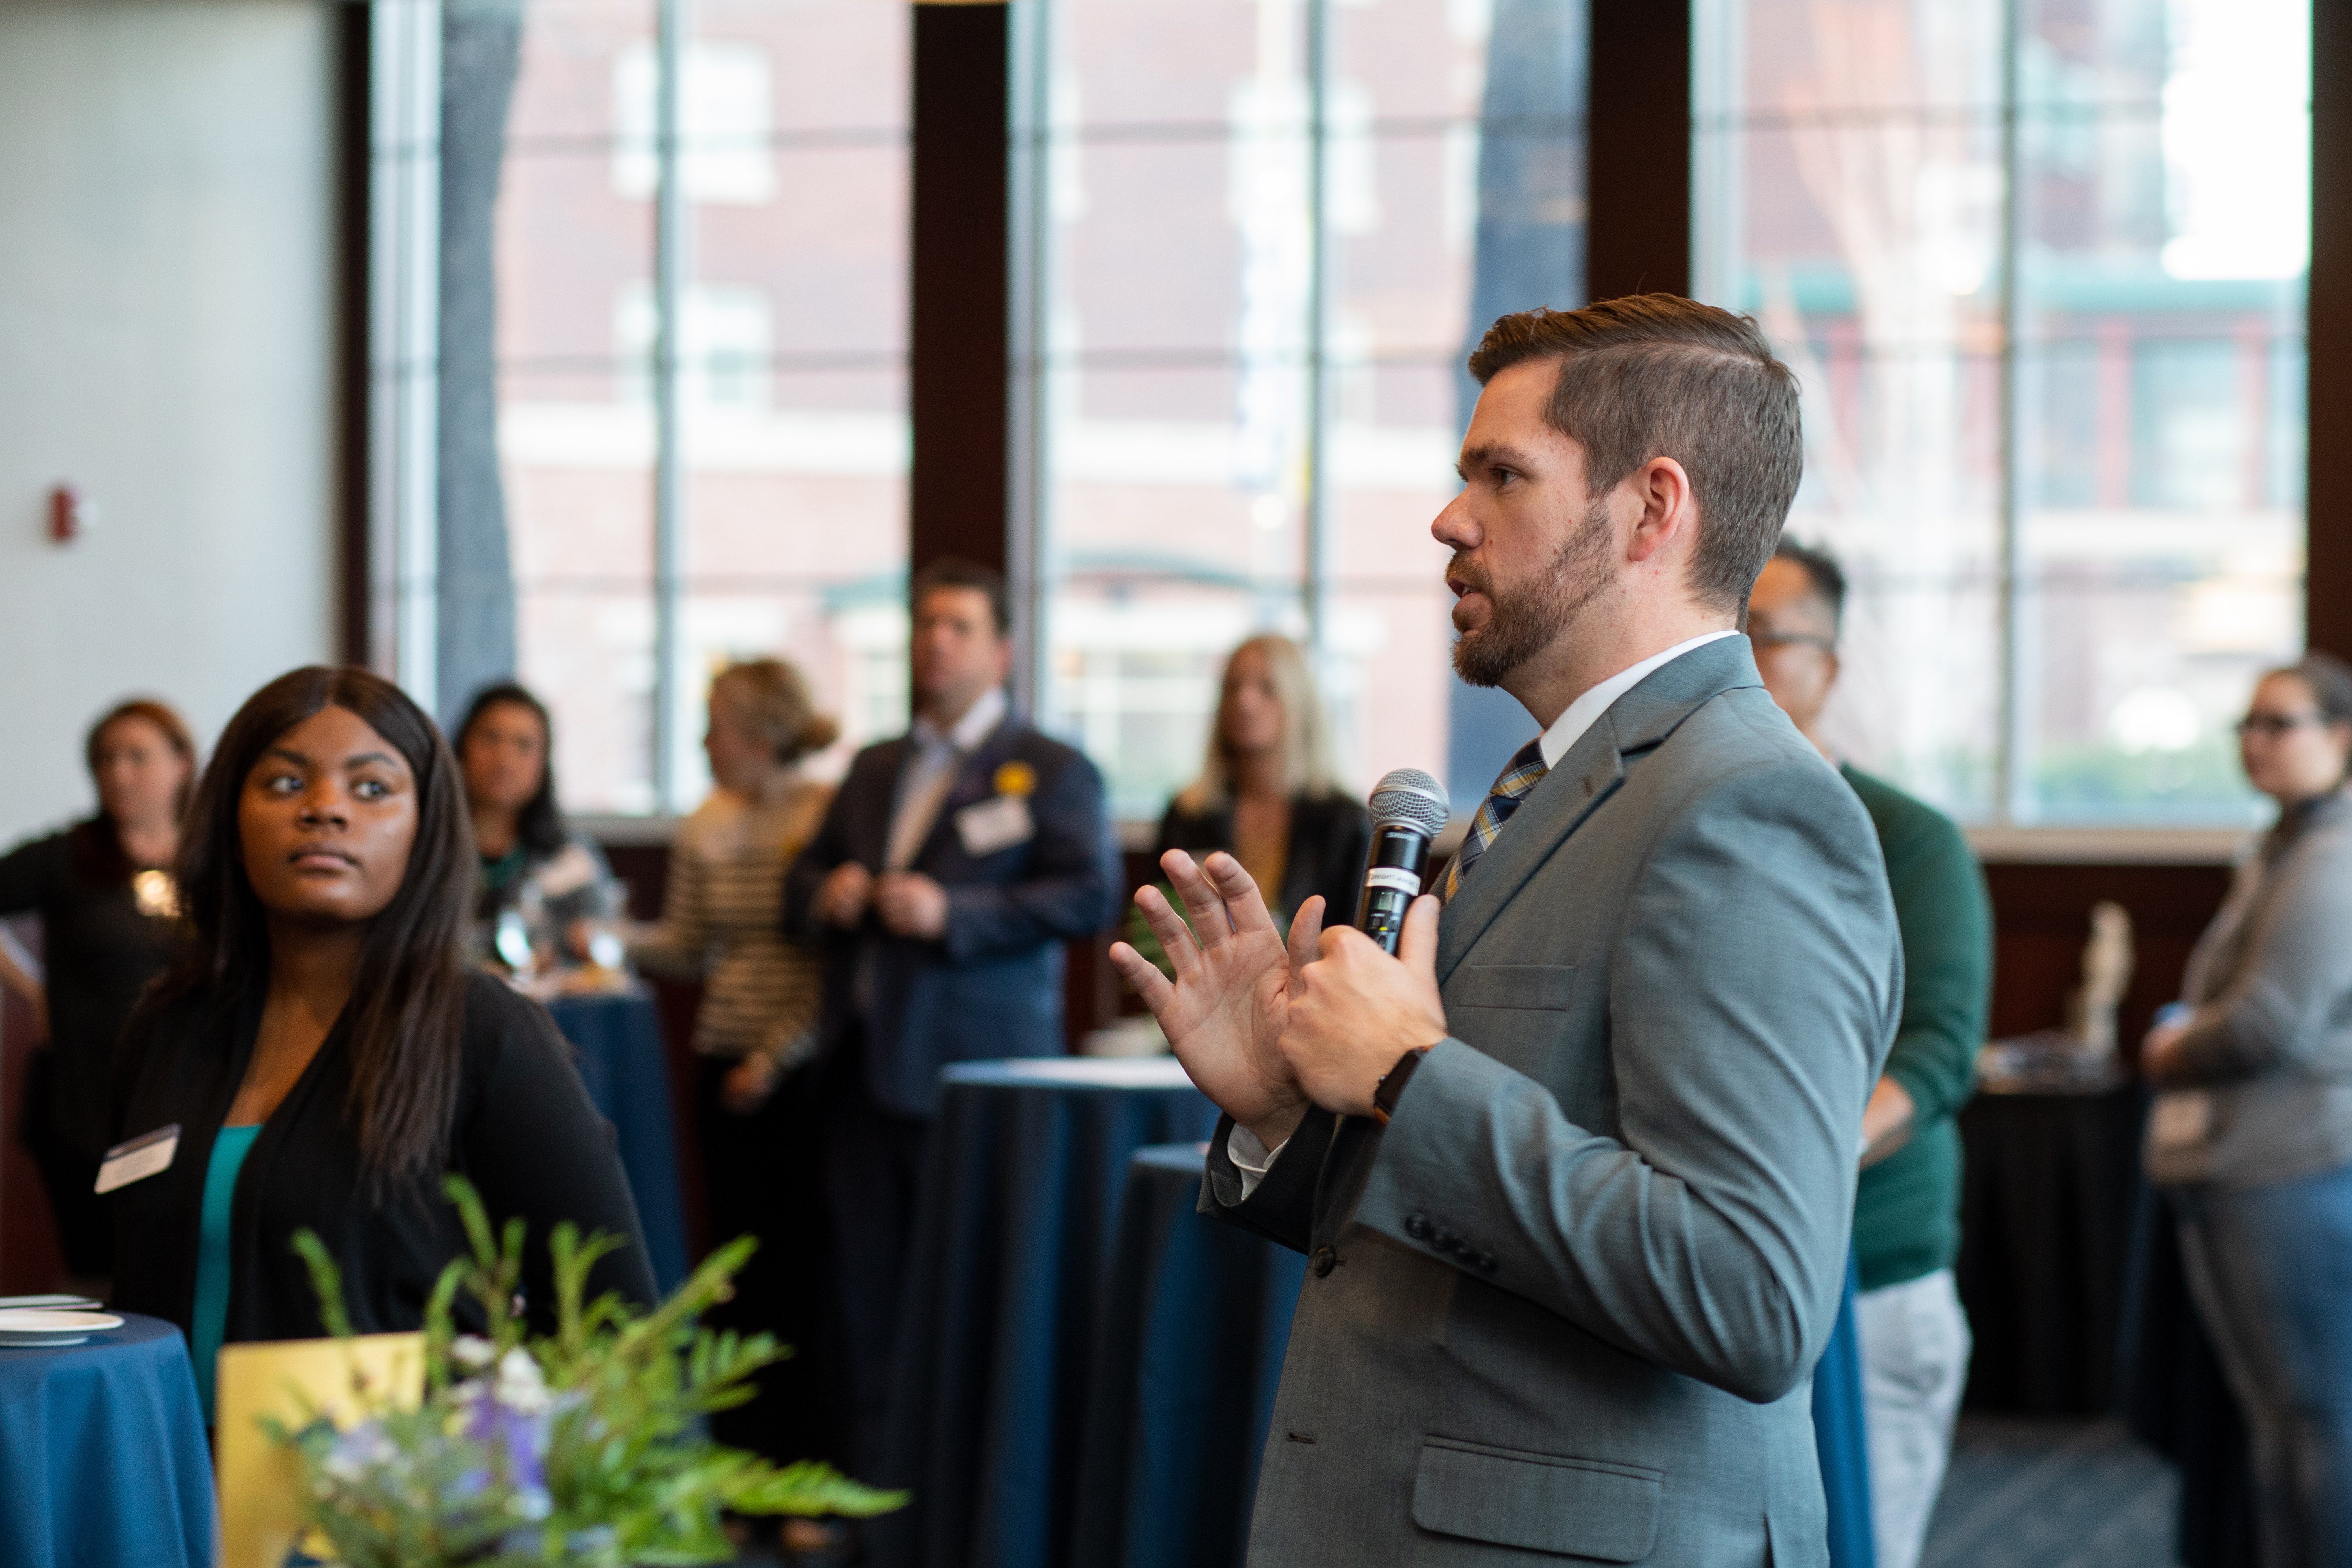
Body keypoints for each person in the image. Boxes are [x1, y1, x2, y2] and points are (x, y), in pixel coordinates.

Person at [1110, 296, 1901, 1565]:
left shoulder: (1745, 807)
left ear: (1651, 509)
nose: (1447, 517)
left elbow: (1747, 1291)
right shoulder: (1554, 784)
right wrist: (1282, 1111)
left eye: (1500, 475)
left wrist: (1406, 1077)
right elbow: (1450, 1217)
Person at [107, 667, 652, 1423]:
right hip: (159, 1506)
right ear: (230, 823)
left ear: (425, 830)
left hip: (386, 1519)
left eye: (371, 789)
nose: (325, 809)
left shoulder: (484, 1033)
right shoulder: (169, 1027)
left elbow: (613, 1318)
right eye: (285, 783)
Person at [784, 557, 1115, 1473]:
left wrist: (952, 913)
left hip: (972, 1074)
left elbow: (1089, 895)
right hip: (857, 1068)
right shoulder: (873, 765)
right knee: (863, 1298)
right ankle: (868, 1503)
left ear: (1001, 649)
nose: (936, 641)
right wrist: (831, 888)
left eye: (958, 626)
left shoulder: (1048, 769)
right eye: (926, 624)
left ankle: (957, 1503)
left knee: (967, 1296)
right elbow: (796, 883)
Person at [1749, 541, 1991, 1568]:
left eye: (1761, 636)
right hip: (1715, 1265)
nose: (1733, 657)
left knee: (1861, 1546)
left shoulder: (1909, 838)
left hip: (1870, 1268)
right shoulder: (1665, 823)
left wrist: (1803, 1164)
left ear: (1828, 668)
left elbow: (1938, 1051)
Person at [2142, 652, 2352, 1568]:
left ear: (2338, 738)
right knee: (2283, 1416)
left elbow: (2265, 1021)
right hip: (2251, 1167)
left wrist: (2168, 1045)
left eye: (2280, 723)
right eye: (2247, 724)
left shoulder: (2331, 854)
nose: (2255, 741)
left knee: (2313, 1416)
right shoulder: (2284, 840)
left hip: (2288, 1169)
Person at [626, 657, 839, 1473]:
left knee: (803, 1279)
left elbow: (836, 969)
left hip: (800, 1072)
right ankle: (737, 1468)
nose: (703, 740)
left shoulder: (826, 810)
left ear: (756, 734)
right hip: (718, 1062)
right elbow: (686, 947)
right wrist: (607, 940)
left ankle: (802, 1467)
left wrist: (775, 1055)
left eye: (712, 722)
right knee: (732, 1270)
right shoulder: (704, 821)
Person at [0, 699, 197, 1290]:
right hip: (83, 1103)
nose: (119, 772)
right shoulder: (70, 855)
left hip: (183, 1095)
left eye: (137, 756)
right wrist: (32, 987)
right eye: (106, 758)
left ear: (182, 763)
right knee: (96, 1273)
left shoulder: (214, 858)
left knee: (175, 1268)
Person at [1152, 635, 1368, 939]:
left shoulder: (1345, 821)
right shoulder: (1188, 814)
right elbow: (1156, 933)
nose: (1245, 701)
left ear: (1299, 703)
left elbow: (1354, 939)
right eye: (1233, 687)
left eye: (1267, 688)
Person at [452, 682, 622, 974]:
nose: (505, 760)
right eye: (490, 739)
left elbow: (606, 963)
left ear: (543, 765)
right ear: (461, 748)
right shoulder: (424, 850)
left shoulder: (573, 862)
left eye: (524, 746)